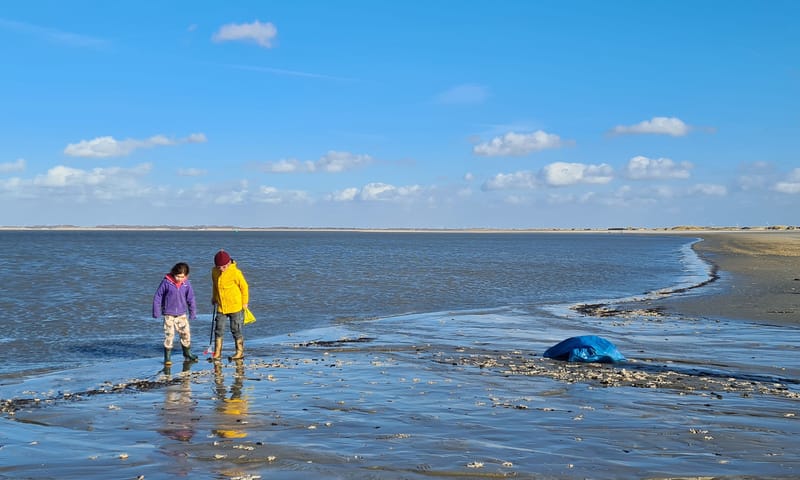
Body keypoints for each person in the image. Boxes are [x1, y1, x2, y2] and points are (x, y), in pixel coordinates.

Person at [152, 262, 198, 365]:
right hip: (168, 314)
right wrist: (156, 311)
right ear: (173, 273)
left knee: (185, 334)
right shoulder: (166, 282)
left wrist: (192, 312)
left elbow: (191, 298)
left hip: (182, 314)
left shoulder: (186, 284)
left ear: (186, 276)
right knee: (169, 335)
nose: (179, 279)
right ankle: (167, 358)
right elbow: (158, 296)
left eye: (182, 277)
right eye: (177, 276)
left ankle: (187, 354)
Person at [210, 250, 249, 360]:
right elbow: (215, 286)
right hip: (221, 306)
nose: (221, 269)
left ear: (228, 264)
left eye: (223, 267)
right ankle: (217, 353)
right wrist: (214, 297)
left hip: (236, 306)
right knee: (219, 328)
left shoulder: (236, 272)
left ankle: (239, 352)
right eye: (219, 267)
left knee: (235, 329)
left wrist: (245, 302)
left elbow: (244, 287)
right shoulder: (214, 271)